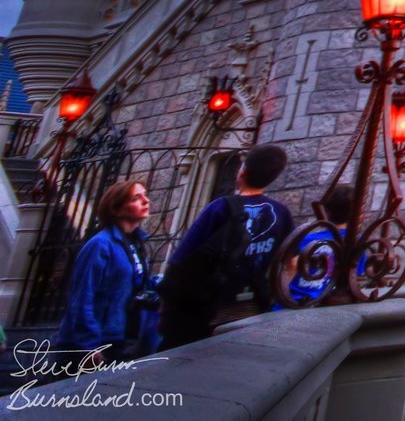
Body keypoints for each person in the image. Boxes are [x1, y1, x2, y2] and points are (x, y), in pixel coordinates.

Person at [158, 144, 294, 348]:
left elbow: (182, 258)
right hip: (252, 309)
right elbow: (292, 263)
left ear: (242, 172)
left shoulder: (221, 207)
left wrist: (167, 300)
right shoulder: (281, 213)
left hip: (208, 309)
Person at [55, 180, 160, 361]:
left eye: (145, 195)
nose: (146, 201)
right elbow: (82, 296)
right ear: (117, 209)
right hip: (90, 344)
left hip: (121, 338)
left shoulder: (136, 244)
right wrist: (89, 345)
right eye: (137, 198)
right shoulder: (100, 245)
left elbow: (135, 286)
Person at [280, 185, 358, 307]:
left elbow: (292, 264)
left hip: (296, 300)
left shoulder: (307, 238)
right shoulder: (356, 243)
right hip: (328, 301)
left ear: (327, 211)